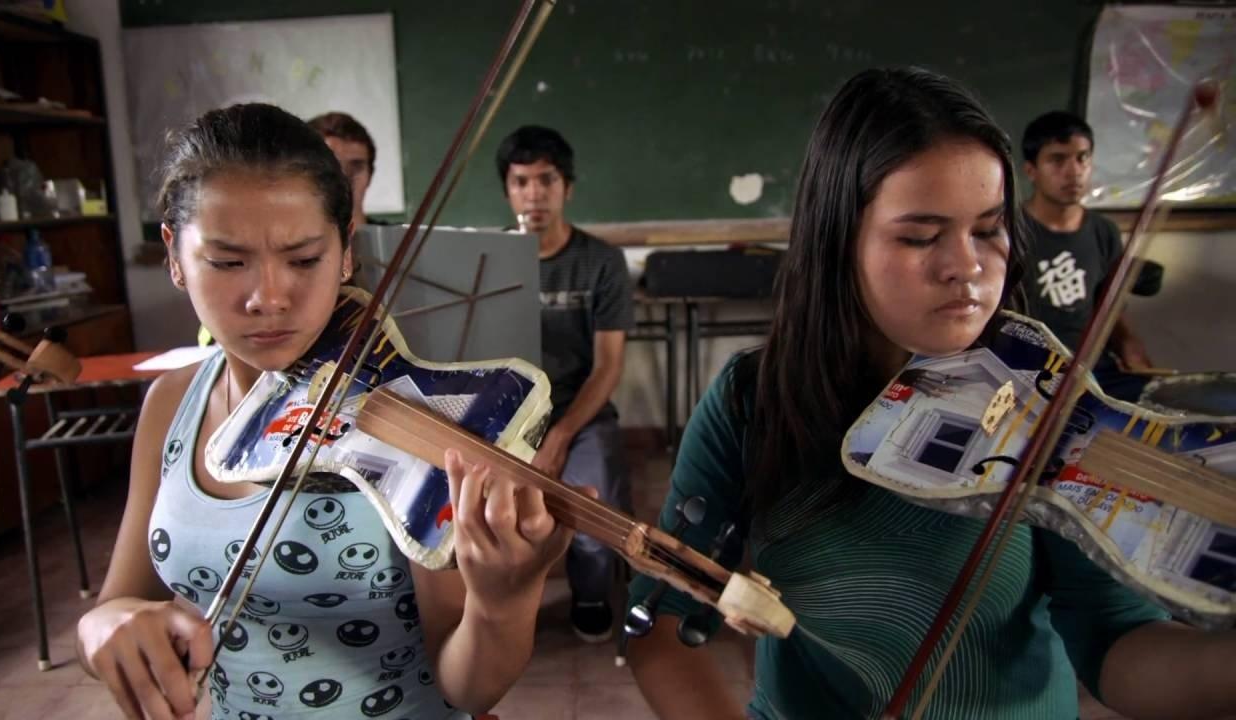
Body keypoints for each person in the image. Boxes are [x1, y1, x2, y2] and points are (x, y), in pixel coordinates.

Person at [625, 67, 1236, 720]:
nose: (967, 267)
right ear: (839, 243)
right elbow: (661, 628)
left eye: (989, 230)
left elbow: (1116, 634)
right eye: (920, 237)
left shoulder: (1045, 397)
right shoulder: (755, 400)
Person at [76, 103, 576, 720]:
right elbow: (117, 601)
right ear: (175, 256)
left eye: (305, 259)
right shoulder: (173, 402)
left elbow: (467, 688)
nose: (269, 298)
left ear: (345, 254)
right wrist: (105, 627)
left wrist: (503, 601)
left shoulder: (407, 415)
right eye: (228, 262)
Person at [494, 125, 635, 643]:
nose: (534, 194)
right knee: (479, 513)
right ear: (508, 190)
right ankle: (501, 608)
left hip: (581, 412)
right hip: (507, 414)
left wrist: (560, 434)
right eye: (522, 181)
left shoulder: (601, 262)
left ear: (567, 188)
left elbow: (608, 366)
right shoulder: (489, 261)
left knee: (592, 518)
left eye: (547, 180)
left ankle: (592, 593)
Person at [1020, 110, 1153, 402]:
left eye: (1082, 157)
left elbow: (1109, 304)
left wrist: (1127, 342)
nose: (1074, 171)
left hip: (1093, 369)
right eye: (1057, 160)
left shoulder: (1103, 231)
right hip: (1031, 371)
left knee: (1154, 407)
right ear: (1031, 170)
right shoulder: (1009, 231)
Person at [309, 111, 375, 232]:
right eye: (332, 165)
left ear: (370, 175)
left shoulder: (399, 241)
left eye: (356, 167)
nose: (345, 177)